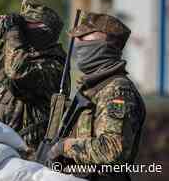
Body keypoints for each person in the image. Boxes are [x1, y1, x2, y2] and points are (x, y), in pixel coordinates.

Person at [0, 0, 70, 156]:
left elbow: (17, 73)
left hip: (27, 155)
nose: (22, 29)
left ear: (46, 30)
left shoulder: (55, 66)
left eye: (27, 24)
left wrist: (13, 32)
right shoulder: (12, 57)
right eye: (20, 24)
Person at [47, 11, 146, 181]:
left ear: (106, 43)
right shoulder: (92, 88)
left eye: (84, 37)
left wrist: (64, 147)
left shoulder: (117, 91)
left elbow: (112, 149)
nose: (77, 43)